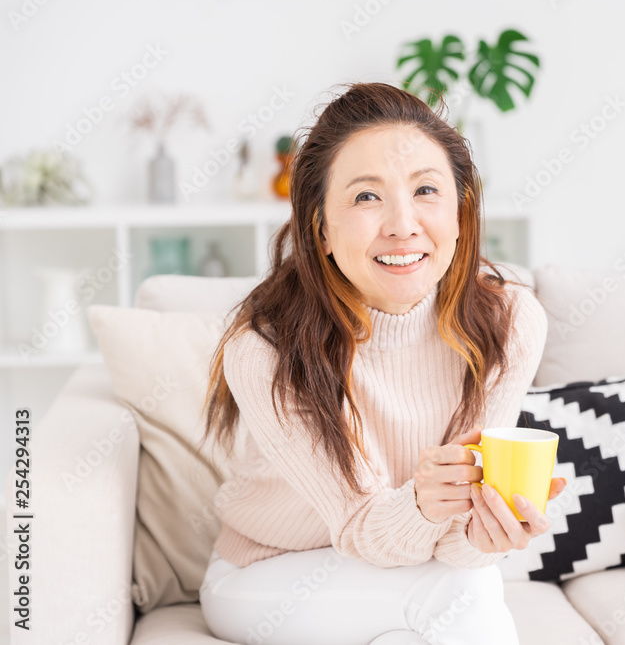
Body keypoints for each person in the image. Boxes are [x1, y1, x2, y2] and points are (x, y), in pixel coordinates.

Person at [196, 81, 567, 645]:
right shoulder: (265, 350)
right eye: (367, 197)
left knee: (452, 597)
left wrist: (483, 534)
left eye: (426, 190)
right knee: (463, 592)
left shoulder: (511, 323)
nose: (402, 224)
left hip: (412, 569)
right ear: (321, 229)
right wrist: (424, 505)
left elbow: (456, 544)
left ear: (461, 213)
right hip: (264, 575)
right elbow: (360, 528)